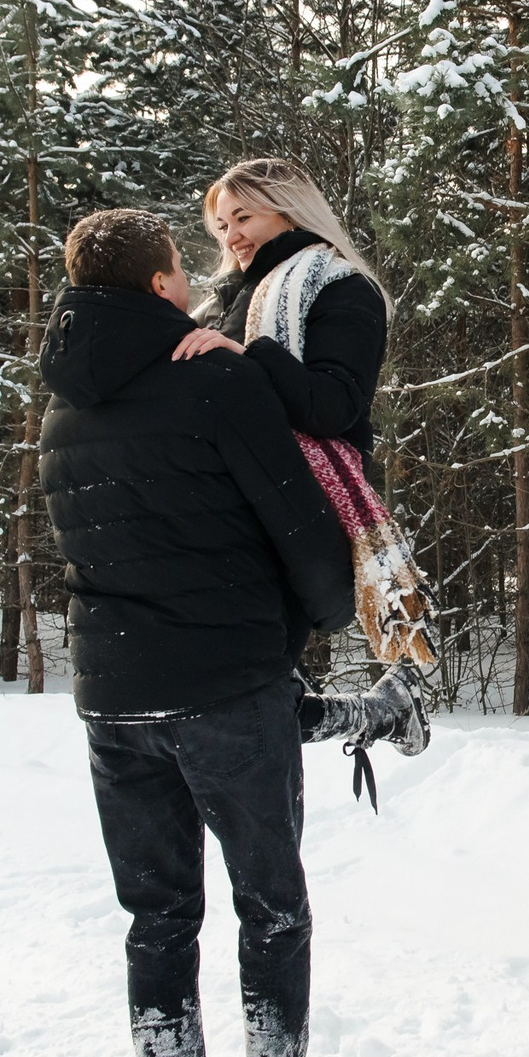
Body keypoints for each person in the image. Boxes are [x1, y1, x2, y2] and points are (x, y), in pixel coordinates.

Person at [37, 206, 354, 1057]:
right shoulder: (209, 376)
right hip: (225, 683)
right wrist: (326, 612)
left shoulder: (63, 405)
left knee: (157, 916)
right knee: (270, 907)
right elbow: (295, 515)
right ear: (164, 281)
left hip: (112, 696)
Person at [172, 159, 435, 772]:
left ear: (290, 210)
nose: (229, 236)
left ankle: (271, 840)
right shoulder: (223, 300)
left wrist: (249, 353)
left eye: (243, 217)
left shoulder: (342, 288)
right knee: (233, 689)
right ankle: (378, 713)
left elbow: (333, 407)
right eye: (219, 226)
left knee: (247, 694)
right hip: (220, 506)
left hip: (291, 505)